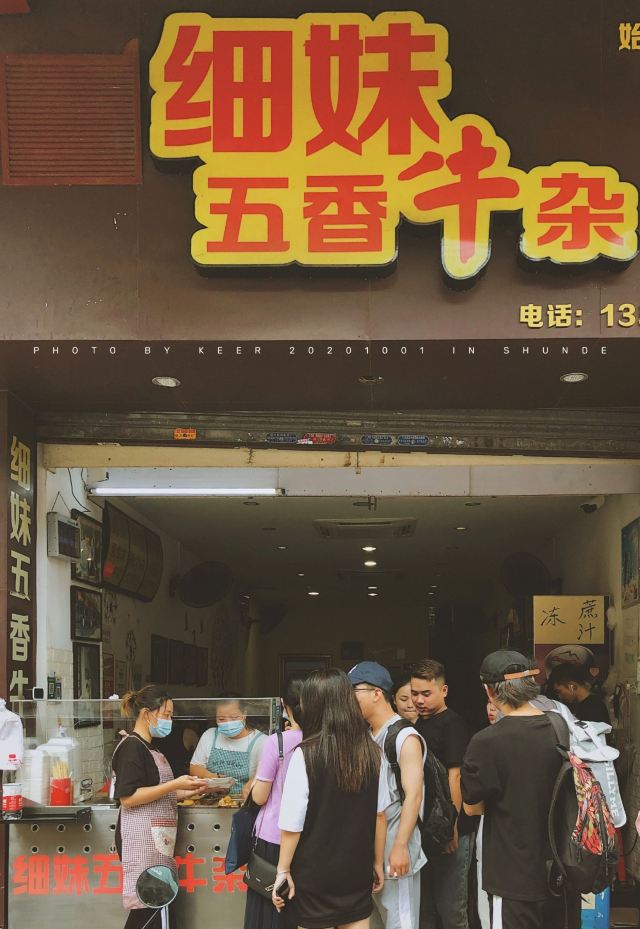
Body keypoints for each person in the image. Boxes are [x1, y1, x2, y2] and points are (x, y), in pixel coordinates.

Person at [273, 668, 388, 929]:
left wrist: (283, 870)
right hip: (356, 871)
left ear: (313, 705)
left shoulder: (305, 755)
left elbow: (292, 824)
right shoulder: (372, 752)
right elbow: (380, 815)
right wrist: (377, 863)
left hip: (314, 874)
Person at [461, 651, 567, 929]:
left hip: (512, 876)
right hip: (558, 869)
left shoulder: (486, 742)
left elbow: (472, 807)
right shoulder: (558, 728)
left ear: (489, 690)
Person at [112, 685, 208, 929]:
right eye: (166, 714)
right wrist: (174, 784)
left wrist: (189, 790)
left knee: (156, 904)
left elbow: (157, 793)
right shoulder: (132, 747)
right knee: (151, 906)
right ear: (147, 713)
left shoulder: (150, 747)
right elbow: (128, 797)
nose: (170, 721)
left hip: (156, 840)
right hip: (141, 839)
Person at [349, 661, 426, 929]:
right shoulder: (368, 735)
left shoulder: (404, 736)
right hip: (374, 853)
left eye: (354, 692)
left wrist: (401, 847)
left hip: (396, 850)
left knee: (401, 923)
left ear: (376, 693)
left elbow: (414, 795)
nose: (349, 700)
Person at [411, 660, 476, 929]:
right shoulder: (419, 724)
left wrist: (452, 826)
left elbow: (455, 777)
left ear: (444, 690)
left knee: (451, 910)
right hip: (427, 830)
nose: (419, 700)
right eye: (415, 693)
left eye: (426, 694)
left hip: (451, 828)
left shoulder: (452, 724)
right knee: (424, 909)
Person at [243, 678, 305, 929]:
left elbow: (259, 796)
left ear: (283, 705)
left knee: (267, 911)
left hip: (272, 838)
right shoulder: (324, 740)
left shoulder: (277, 742)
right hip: (308, 838)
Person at [190, 691, 267, 798]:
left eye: (234, 717)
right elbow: (194, 767)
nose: (227, 723)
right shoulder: (210, 735)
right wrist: (213, 777)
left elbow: (266, 776)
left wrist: (252, 784)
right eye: (221, 719)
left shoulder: (261, 741)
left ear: (244, 714)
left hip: (243, 802)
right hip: (210, 801)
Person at [476, 702, 498, 929]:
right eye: (489, 703)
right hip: (488, 820)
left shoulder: (487, 741)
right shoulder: (484, 739)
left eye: (497, 703)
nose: (491, 708)